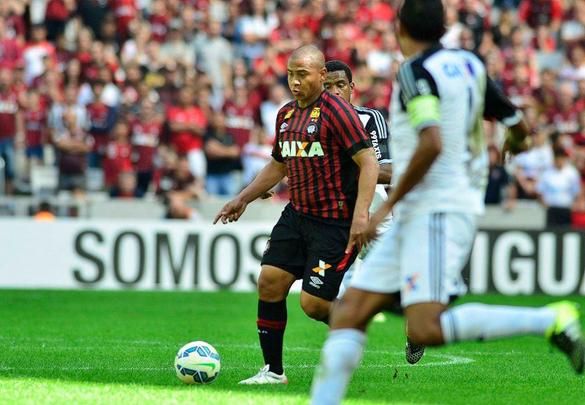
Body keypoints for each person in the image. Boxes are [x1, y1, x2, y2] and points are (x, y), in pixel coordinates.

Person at [310, 2, 584, 404]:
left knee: (424, 328)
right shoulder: (469, 64)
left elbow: (431, 141)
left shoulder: (413, 72)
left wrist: (384, 208)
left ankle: (549, 319)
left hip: (438, 209)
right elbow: (515, 120)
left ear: (401, 29)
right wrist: (517, 137)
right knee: (349, 312)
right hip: (434, 207)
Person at [214, 45, 379, 385]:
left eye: (301, 74)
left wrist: (361, 215)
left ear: (321, 75)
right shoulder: (286, 114)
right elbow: (278, 163)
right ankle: (273, 372)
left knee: (313, 305)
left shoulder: (337, 113)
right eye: (290, 74)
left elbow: (369, 162)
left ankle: (349, 324)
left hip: (333, 222)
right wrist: (243, 198)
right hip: (297, 214)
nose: (294, 81)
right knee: (270, 282)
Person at [322, 60, 392, 298]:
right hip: (334, 216)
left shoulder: (370, 118)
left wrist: (342, 168)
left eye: (340, 85)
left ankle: (416, 335)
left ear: (352, 87)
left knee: (402, 287)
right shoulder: (311, 124)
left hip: (374, 214)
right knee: (327, 295)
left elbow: (387, 170)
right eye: (327, 87)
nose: (335, 92)